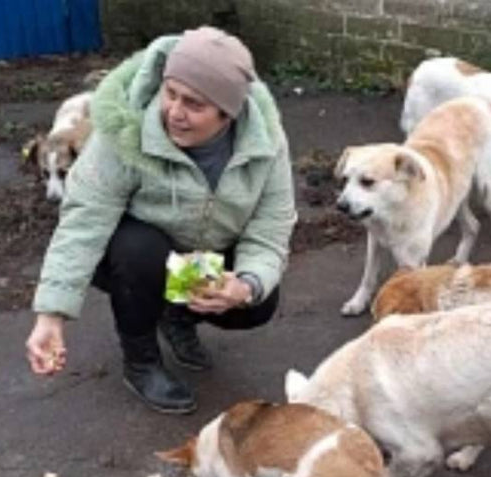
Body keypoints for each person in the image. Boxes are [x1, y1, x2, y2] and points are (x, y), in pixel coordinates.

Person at [24, 28, 296, 414]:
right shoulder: (125, 131)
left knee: (259, 304)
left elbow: (271, 227)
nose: (174, 112)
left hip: (200, 255)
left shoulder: (265, 142)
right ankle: (141, 361)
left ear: (229, 113)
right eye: (171, 93)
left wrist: (246, 285)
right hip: (130, 256)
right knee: (140, 250)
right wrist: (51, 315)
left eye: (195, 104)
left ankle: (176, 316)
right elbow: (83, 222)